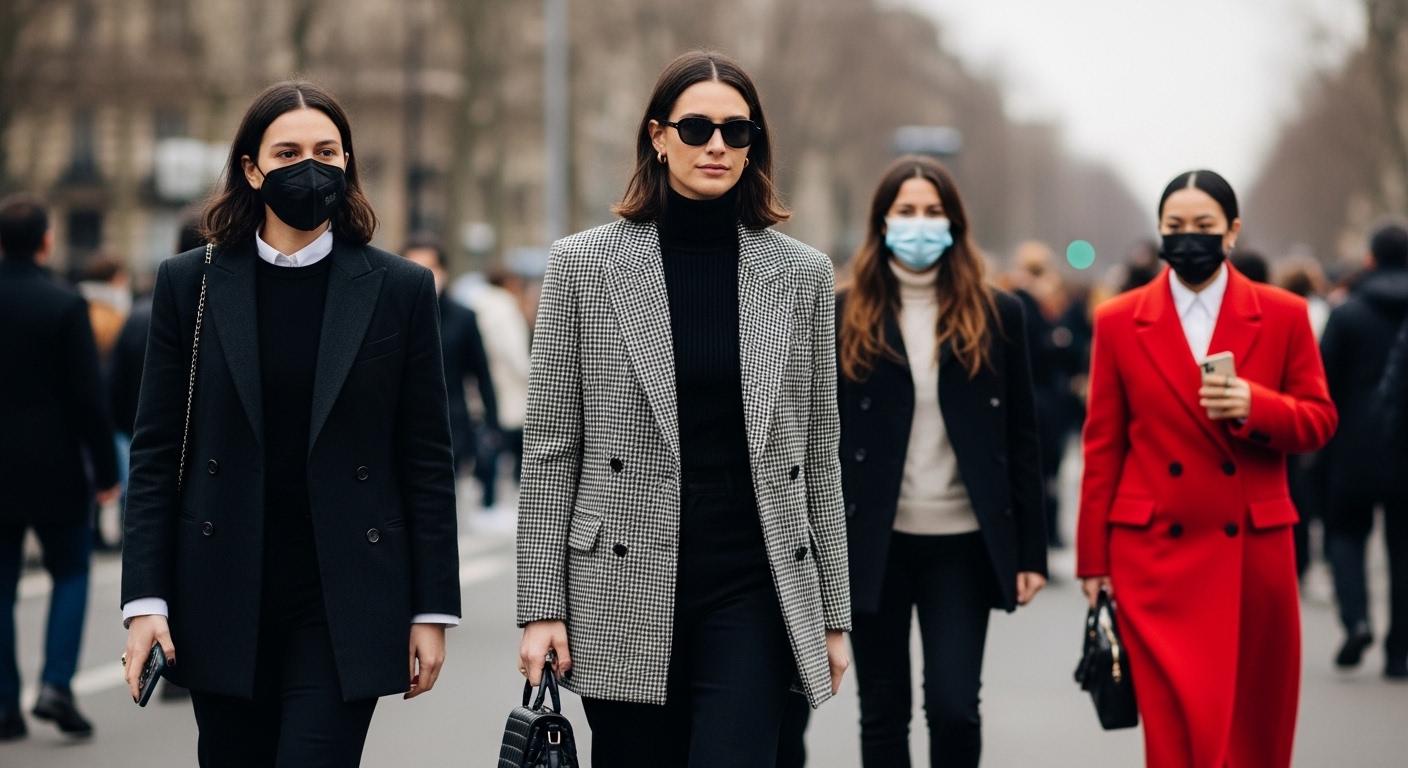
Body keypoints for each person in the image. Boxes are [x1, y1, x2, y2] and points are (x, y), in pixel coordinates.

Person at [515, 50, 851, 767]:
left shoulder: (801, 274)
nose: (717, 146)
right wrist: (542, 606)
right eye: (696, 128)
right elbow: (549, 450)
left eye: (738, 131)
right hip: (620, 573)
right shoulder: (582, 264)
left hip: (754, 576)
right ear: (658, 136)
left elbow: (819, 454)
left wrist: (833, 616)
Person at [120, 81, 461, 766]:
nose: (312, 166)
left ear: (348, 162)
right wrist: (144, 603)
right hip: (220, 588)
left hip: (347, 596)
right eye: (289, 151)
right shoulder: (192, 283)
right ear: (252, 167)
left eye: (327, 150)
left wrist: (432, 610)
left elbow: (425, 458)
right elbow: (157, 454)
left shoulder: (397, 288)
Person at [1077, 170, 1337, 767]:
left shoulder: (1284, 314)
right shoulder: (1119, 320)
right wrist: (1093, 560)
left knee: (1252, 732)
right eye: (1174, 227)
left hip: (1253, 554)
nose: (1187, 238)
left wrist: (1255, 405)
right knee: (1175, 735)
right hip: (1153, 559)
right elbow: (1102, 447)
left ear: (1232, 231)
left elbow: (1320, 421)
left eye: (1203, 227)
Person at [830, 156, 1047, 766]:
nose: (919, 225)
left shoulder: (997, 314)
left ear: (954, 223)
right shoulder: (843, 311)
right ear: (881, 222)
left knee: (955, 706)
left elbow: (1021, 436)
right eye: (906, 213)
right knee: (883, 709)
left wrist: (1029, 550)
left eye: (933, 212)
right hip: (872, 541)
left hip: (962, 544)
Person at [0, 195, 120, 740]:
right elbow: (88, 398)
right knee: (71, 573)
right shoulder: (63, 304)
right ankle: (55, 686)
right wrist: (105, 471)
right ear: (47, 241)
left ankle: (5, 703)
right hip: (55, 462)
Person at [1319, 222, 1408, 678]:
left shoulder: (1349, 312)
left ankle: (1356, 619)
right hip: (1405, 446)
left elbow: (1322, 383)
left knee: (1346, 535)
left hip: (1352, 442)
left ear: (1370, 259)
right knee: (1403, 550)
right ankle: (1400, 650)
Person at [401, 236, 501, 521]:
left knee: (438, 509)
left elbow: (481, 373)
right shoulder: (388, 312)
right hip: (397, 424)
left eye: (430, 268)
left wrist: (492, 425)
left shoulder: (463, 317)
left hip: (450, 425)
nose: (423, 275)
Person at [458, 268, 531, 515]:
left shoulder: (476, 304)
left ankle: (487, 496)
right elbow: (515, 352)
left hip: (485, 383)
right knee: (509, 440)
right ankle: (501, 497)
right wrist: (531, 375)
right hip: (509, 385)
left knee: (489, 437)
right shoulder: (505, 309)